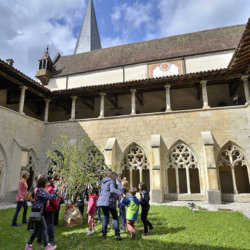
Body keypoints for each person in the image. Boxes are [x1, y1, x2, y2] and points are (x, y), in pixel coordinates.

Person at [25, 176, 59, 250]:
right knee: (44, 228)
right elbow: (48, 197)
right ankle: (46, 246)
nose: (47, 183)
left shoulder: (40, 189)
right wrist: (55, 193)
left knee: (36, 230)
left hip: (37, 210)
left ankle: (28, 245)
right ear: (43, 183)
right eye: (46, 182)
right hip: (38, 211)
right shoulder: (40, 190)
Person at [96, 172, 123, 240]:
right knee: (115, 217)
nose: (116, 178)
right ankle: (117, 235)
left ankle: (104, 235)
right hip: (109, 201)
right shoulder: (111, 181)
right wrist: (121, 193)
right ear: (113, 176)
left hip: (102, 202)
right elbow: (112, 190)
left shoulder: (103, 182)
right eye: (116, 177)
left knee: (105, 216)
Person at [44, 176, 59, 244]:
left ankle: (43, 238)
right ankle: (51, 239)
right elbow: (53, 199)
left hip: (44, 208)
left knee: (45, 223)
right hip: (50, 208)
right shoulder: (50, 188)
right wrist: (56, 206)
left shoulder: (42, 188)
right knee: (50, 223)